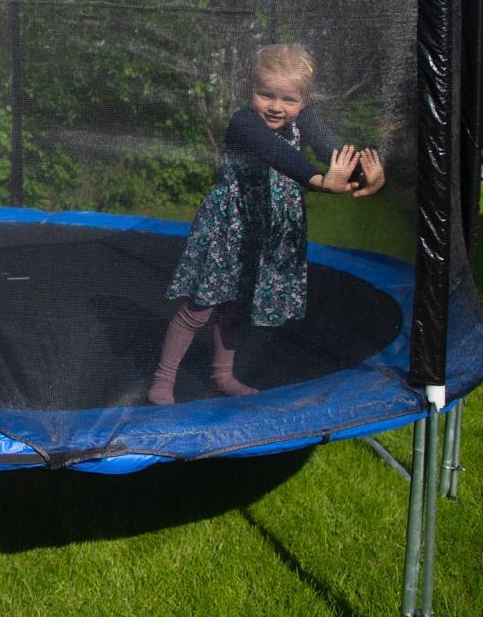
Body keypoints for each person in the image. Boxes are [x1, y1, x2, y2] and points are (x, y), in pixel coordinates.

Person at [148, 43, 385, 405]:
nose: (276, 106)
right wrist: (320, 181)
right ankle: (162, 382)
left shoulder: (303, 120)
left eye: (289, 99)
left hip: (269, 229)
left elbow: (334, 152)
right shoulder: (244, 123)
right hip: (229, 226)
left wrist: (367, 174)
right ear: (250, 90)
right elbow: (279, 154)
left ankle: (221, 376)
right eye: (266, 95)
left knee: (238, 305)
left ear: (304, 101)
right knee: (201, 305)